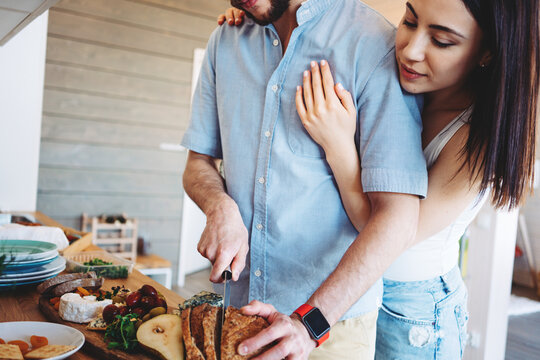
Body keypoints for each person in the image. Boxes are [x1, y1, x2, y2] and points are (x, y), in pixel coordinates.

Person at [220, 0, 540, 358]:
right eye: (410, 20)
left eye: (441, 41)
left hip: (416, 314)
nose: (411, 50)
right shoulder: (404, 82)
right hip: (361, 293)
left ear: (487, 53)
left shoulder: (475, 141)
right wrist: (261, 17)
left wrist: (339, 147)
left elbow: (391, 230)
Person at [182, 0, 429, 358]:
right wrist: (218, 205)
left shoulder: (376, 45)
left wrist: (308, 322)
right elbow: (197, 164)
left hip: (331, 330)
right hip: (237, 315)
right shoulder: (226, 39)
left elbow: (397, 221)